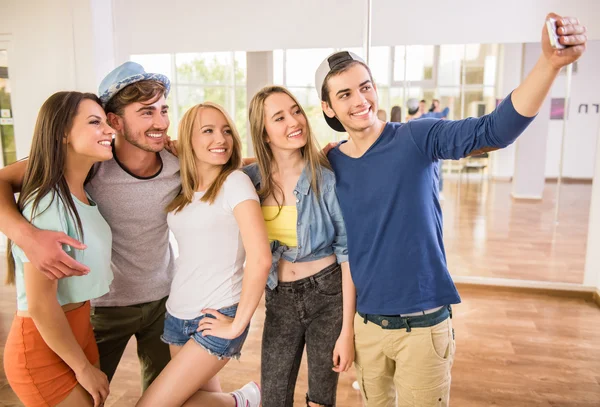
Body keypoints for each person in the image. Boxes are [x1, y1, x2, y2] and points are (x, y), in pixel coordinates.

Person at [314, 13, 586, 406]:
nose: (360, 101)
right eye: (345, 95)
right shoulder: (331, 164)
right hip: (366, 327)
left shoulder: (417, 137)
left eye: (365, 87)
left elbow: (495, 130)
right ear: (328, 108)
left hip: (423, 328)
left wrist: (548, 63)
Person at [0, 62, 180, 391]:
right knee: (89, 392)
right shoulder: (91, 163)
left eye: (163, 110)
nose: (161, 122)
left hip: (163, 301)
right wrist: (28, 237)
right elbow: (3, 180)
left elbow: (232, 164)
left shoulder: (178, 162)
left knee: (168, 395)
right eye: (146, 112)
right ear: (115, 120)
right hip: (103, 309)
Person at [136, 102, 270, 407]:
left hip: (218, 316)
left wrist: (237, 325)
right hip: (177, 315)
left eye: (226, 131)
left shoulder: (236, 183)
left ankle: (244, 400)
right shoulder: (183, 189)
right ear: (188, 141)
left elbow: (260, 258)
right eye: (207, 131)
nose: (220, 139)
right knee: (198, 401)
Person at [3, 91, 115, 406]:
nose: (109, 131)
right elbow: (39, 303)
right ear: (62, 133)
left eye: (107, 122)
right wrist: (82, 367)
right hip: (42, 347)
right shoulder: (49, 202)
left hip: (77, 331)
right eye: (95, 122)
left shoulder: (80, 192)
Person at [245, 85, 353, 407]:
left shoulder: (326, 179)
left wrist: (347, 330)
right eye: (279, 117)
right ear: (264, 134)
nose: (294, 121)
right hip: (278, 299)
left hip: (328, 296)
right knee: (273, 399)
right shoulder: (249, 181)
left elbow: (347, 254)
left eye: (295, 111)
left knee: (321, 399)